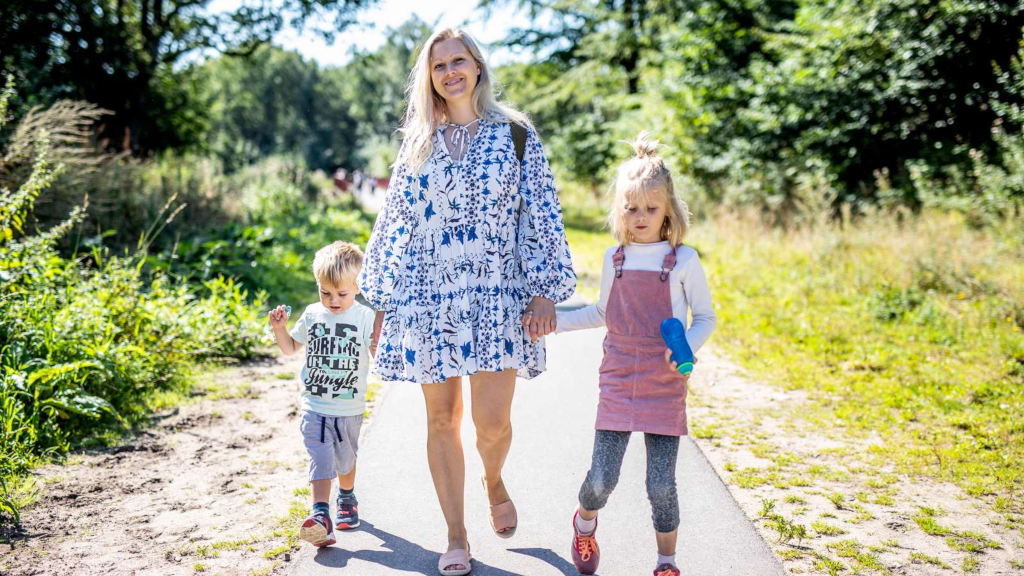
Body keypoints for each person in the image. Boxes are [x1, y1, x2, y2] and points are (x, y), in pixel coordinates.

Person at [357, 27, 576, 576]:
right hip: (430, 298)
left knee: (492, 424)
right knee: (440, 419)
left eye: (459, 60)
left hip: (497, 296)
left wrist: (545, 289)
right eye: (438, 65)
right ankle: (456, 535)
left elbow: (542, 213)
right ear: (428, 79)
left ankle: (493, 478)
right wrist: (379, 301)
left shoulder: (517, 134)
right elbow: (395, 224)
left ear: (478, 67)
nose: (450, 71)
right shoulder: (417, 144)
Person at [550, 132, 716, 576]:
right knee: (602, 480)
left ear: (668, 210)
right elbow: (603, 312)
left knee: (661, 485)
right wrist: (552, 324)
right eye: (631, 208)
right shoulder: (614, 258)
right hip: (619, 378)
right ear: (619, 210)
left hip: (665, 383)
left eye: (651, 208)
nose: (640, 217)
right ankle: (584, 525)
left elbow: (705, 318)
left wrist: (687, 347)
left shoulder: (683, 261)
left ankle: (666, 563)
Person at [268, 241, 378, 548]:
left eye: (342, 294)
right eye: (325, 292)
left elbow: (378, 351)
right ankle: (320, 516)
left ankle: (346, 496)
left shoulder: (365, 318)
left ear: (358, 287)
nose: (332, 300)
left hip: (349, 408)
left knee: (345, 460)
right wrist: (280, 329)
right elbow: (291, 348)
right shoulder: (313, 314)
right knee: (319, 456)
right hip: (313, 405)